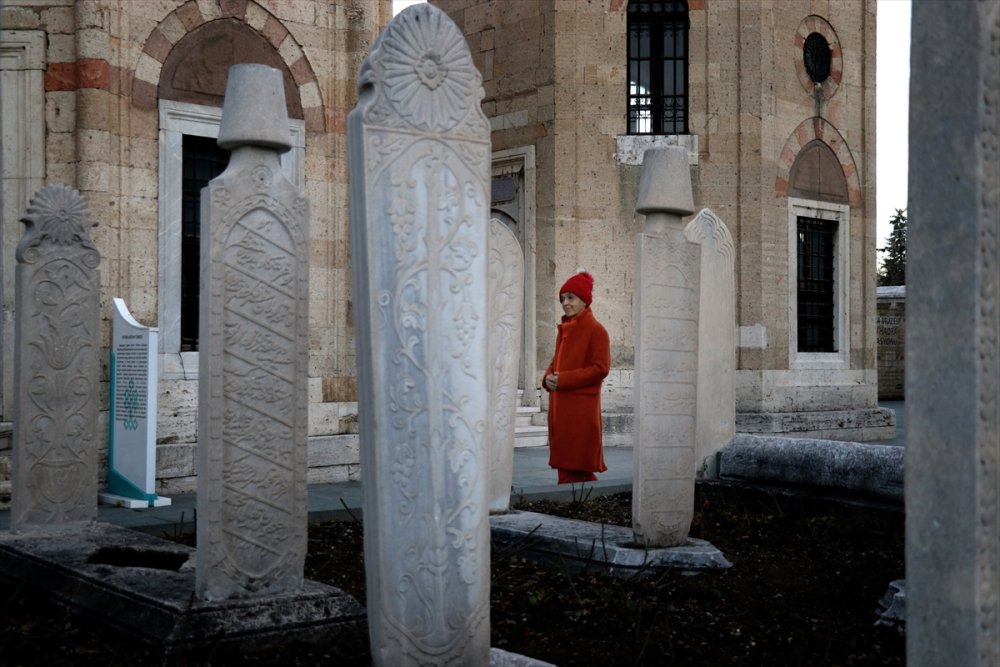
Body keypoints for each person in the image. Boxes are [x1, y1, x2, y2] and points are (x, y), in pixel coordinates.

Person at [542, 271, 611, 484]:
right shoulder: (565, 329)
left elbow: (601, 368)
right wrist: (547, 379)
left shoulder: (597, 330)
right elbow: (556, 363)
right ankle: (580, 509)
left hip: (580, 409)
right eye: (562, 298)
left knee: (576, 466)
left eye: (570, 297)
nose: (565, 303)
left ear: (584, 300)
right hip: (561, 408)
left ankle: (581, 511)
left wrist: (562, 380)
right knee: (568, 466)